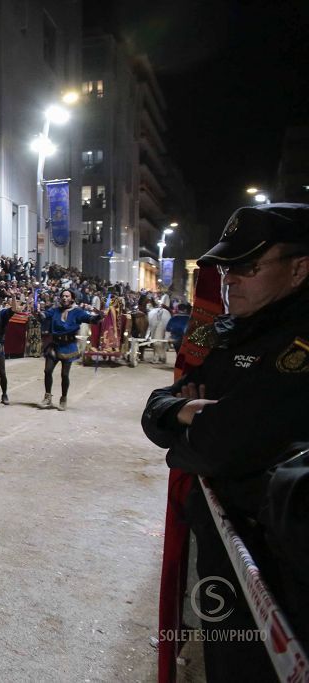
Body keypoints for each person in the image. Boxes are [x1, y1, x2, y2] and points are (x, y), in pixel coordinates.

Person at [141, 203, 309, 681]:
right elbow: (158, 407)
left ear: (300, 268)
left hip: (279, 568)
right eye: (228, 267)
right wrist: (182, 411)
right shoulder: (230, 333)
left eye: (248, 267)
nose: (230, 279)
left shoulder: (298, 342)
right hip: (225, 549)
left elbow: (220, 444)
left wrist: (184, 435)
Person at [39, 289, 102, 410]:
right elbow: (44, 315)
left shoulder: (78, 312)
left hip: (68, 346)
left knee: (64, 375)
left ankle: (63, 398)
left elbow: (91, 319)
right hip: (54, 344)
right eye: (62, 296)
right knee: (47, 371)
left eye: (67, 296)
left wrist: (100, 315)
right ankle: (47, 397)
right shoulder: (55, 310)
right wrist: (38, 313)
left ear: (72, 298)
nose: (64, 298)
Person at [146, 298, 171, 364]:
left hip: (153, 320)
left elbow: (149, 329)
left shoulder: (151, 312)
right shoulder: (166, 311)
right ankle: (163, 356)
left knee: (155, 337)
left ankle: (156, 356)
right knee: (163, 339)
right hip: (165, 320)